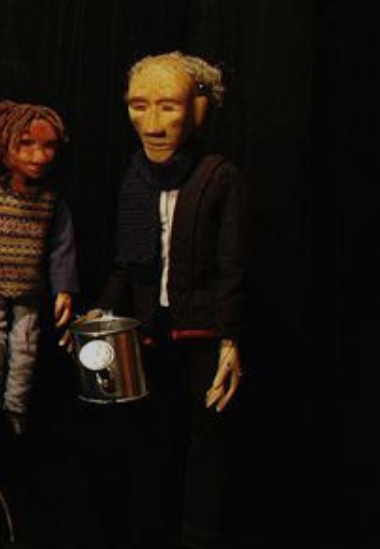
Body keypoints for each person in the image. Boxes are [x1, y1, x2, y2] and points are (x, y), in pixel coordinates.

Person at [84, 52, 246, 549]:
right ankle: (147, 529)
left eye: (168, 107)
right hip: (148, 329)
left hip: (201, 330)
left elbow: (233, 267)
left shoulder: (218, 177)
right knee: (148, 434)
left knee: (206, 437)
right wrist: (103, 309)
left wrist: (230, 340)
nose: (152, 125)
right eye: (139, 106)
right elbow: (126, 262)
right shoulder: (135, 178)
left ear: (198, 110)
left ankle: (199, 535)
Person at [0, 100, 78, 437]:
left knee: (26, 348)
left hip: (30, 291)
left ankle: (16, 406)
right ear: (3, 144)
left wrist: (63, 288)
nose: (39, 156)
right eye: (26, 144)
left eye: (48, 146)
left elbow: (62, 247)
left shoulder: (51, 200)